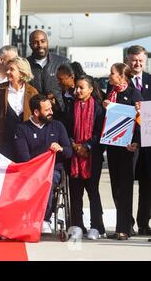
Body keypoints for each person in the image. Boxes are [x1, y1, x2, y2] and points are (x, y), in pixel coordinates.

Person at [14, 94, 72, 233]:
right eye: (47, 110)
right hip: (30, 172)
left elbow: (69, 151)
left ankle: (44, 219)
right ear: (36, 112)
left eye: (51, 108)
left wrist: (61, 149)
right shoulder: (22, 129)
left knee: (48, 180)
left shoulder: (57, 126)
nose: (51, 112)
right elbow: (24, 157)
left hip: (53, 171)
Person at [103, 63, 142, 240]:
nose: (110, 76)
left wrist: (136, 142)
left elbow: (141, 120)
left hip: (128, 148)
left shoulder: (134, 94)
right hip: (113, 147)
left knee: (125, 188)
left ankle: (124, 228)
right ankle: (122, 225)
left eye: (112, 73)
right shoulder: (111, 92)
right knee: (115, 187)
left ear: (122, 76)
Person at [64, 75, 106, 239]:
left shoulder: (98, 108)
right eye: (77, 87)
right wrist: (74, 145)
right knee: (75, 193)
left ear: (90, 89)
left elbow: (100, 132)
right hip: (74, 155)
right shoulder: (69, 107)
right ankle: (76, 225)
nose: (78, 90)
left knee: (93, 192)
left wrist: (87, 146)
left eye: (81, 87)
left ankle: (96, 226)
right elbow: (65, 130)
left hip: (92, 156)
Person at [0, 56, 38, 160]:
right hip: (3, 144)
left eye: (12, 69)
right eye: (7, 69)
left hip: (25, 145)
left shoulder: (32, 92)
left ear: (22, 73)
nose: (7, 72)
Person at [126, 45, 151, 236]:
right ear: (128, 60)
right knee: (124, 183)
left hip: (148, 139)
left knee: (147, 183)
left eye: (141, 60)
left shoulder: (150, 80)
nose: (137, 63)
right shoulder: (120, 81)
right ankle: (127, 223)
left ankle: (143, 222)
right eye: (134, 60)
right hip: (128, 139)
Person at [26, 30, 70, 113]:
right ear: (30, 45)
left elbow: (72, 87)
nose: (40, 45)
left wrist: (56, 97)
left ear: (47, 42)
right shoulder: (25, 65)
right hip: (34, 114)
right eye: (36, 42)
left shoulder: (62, 62)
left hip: (58, 114)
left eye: (43, 41)